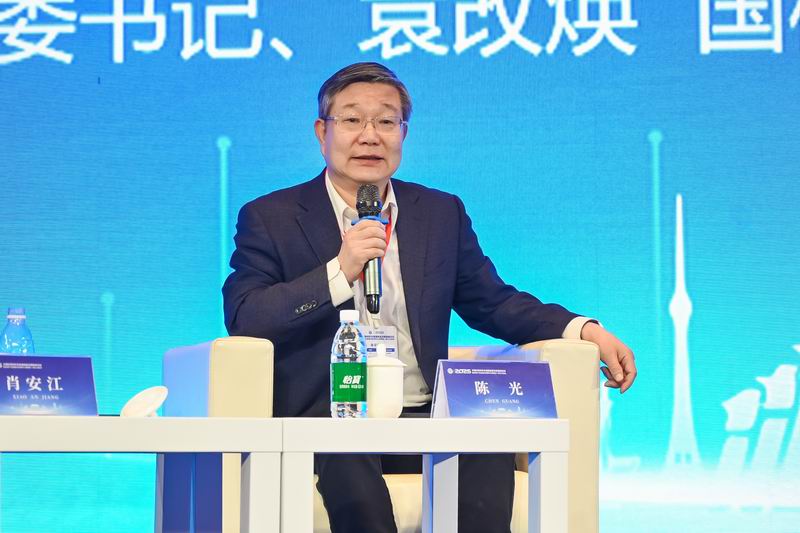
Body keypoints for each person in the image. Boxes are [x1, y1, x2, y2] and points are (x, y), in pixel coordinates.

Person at [223, 62, 636, 533]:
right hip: (329, 419)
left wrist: (583, 329)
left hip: (425, 413)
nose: (370, 136)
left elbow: (494, 303)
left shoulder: (439, 213)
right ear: (323, 132)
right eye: (352, 119)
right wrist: (340, 271)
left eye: (386, 121)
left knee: (486, 444)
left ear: (403, 133)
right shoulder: (271, 217)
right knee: (348, 460)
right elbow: (247, 316)